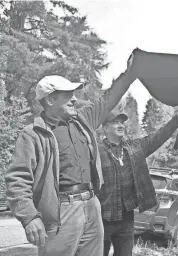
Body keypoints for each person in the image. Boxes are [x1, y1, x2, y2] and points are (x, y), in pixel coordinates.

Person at [5, 55, 137, 256]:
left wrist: (129, 74)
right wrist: (30, 217)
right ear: (50, 99)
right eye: (68, 94)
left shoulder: (83, 120)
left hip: (92, 206)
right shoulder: (32, 134)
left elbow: (108, 99)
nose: (75, 98)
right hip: (61, 211)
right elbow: (17, 180)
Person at [99, 107, 178, 256]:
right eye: (115, 122)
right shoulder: (96, 151)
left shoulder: (134, 147)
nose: (121, 125)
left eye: (122, 122)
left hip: (126, 219)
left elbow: (158, 137)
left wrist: (177, 118)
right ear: (105, 128)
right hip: (102, 217)